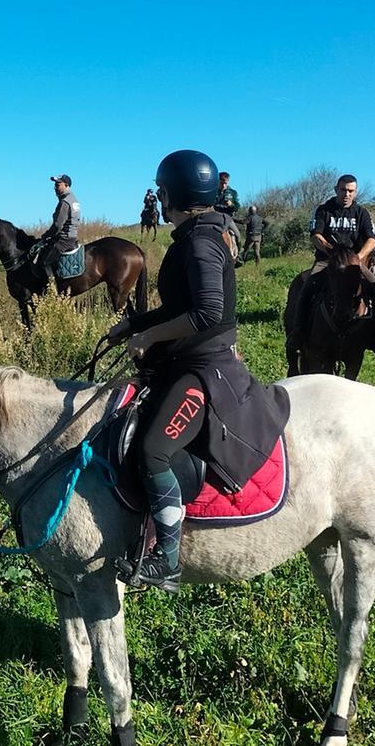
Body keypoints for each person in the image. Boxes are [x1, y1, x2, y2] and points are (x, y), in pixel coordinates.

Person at [104, 150, 239, 592]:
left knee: (154, 449)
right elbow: (180, 307)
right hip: (190, 355)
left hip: (204, 367)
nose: (159, 198)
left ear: (171, 193)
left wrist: (147, 339)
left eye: (161, 191)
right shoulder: (197, 234)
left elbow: (207, 312)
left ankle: (168, 559)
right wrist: (134, 323)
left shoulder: (199, 242)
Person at [287, 174, 375, 358]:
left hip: (353, 263)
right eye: (343, 190)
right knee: (306, 288)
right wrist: (329, 250)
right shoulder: (324, 210)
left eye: (351, 191)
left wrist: (358, 257)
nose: (347, 194)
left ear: (355, 192)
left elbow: (372, 240)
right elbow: (315, 235)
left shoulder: (362, 213)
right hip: (327, 261)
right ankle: (299, 333)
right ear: (336, 190)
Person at [35, 174, 81, 280]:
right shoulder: (73, 199)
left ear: (66, 185)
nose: (55, 187)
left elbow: (57, 226)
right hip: (71, 236)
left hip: (64, 238)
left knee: (44, 262)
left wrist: (46, 236)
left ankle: (52, 291)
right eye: (55, 185)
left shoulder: (65, 202)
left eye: (58, 184)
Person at [213, 171, 242, 262]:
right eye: (221, 183)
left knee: (238, 235)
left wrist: (231, 205)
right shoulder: (212, 191)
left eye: (225, 183)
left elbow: (237, 207)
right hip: (214, 217)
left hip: (227, 218)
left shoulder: (232, 193)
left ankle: (238, 256)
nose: (223, 185)